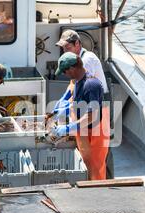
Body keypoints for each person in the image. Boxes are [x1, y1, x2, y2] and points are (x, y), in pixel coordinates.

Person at [52, 29, 115, 179]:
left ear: (78, 44)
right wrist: (63, 101)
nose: (65, 50)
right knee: (86, 156)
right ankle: (90, 181)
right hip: (84, 110)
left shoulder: (87, 60)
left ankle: (101, 186)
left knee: (98, 157)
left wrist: (68, 124)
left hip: (98, 109)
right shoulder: (74, 61)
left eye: (68, 47)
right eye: (63, 48)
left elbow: (89, 95)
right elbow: (73, 84)